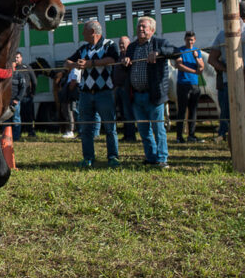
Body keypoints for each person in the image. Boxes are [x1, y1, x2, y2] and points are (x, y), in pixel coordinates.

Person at [207, 1, 245, 173]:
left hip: (229, 83)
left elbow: (212, 59)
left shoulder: (223, 33)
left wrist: (229, 71)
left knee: (232, 122)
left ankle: (235, 160)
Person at [121, 16, 179, 169]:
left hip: (154, 95)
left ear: (152, 30)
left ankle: (162, 159)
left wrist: (159, 53)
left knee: (158, 128)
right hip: (136, 95)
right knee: (144, 130)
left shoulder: (160, 43)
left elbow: (176, 52)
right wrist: (125, 62)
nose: (141, 28)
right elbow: (126, 69)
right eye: (139, 26)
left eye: (144, 27)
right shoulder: (132, 47)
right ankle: (151, 157)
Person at [65, 20, 121, 168]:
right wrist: (74, 65)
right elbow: (67, 62)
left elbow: (113, 59)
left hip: (104, 93)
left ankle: (113, 157)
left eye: (84, 30)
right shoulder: (83, 48)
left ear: (92, 32)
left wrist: (91, 64)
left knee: (110, 127)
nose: (82, 33)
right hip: (85, 93)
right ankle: (88, 157)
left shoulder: (109, 44)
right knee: (86, 128)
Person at [175, 31, 204, 143]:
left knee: (193, 110)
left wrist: (196, 58)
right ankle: (179, 136)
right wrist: (194, 71)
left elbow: (202, 67)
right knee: (182, 110)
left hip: (194, 84)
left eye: (191, 40)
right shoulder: (180, 50)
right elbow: (179, 65)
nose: (190, 42)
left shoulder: (197, 51)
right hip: (183, 84)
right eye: (188, 39)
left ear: (194, 40)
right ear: (185, 40)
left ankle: (191, 135)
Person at [112, 36, 137, 143]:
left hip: (126, 88)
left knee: (128, 113)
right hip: (118, 88)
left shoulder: (130, 56)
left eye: (123, 43)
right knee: (122, 113)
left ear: (129, 44)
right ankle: (126, 135)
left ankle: (131, 136)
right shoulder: (119, 56)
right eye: (120, 43)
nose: (121, 45)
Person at [18, 53, 38, 137]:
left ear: (21, 58)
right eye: (15, 57)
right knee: (18, 115)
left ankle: (31, 131)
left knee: (29, 114)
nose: (16, 59)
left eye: (18, 57)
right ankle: (19, 132)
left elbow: (34, 81)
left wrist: (32, 93)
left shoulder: (27, 67)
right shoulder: (13, 68)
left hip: (27, 96)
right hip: (16, 97)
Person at [9, 58, 27, 142]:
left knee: (16, 119)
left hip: (15, 101)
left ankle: (16, 137)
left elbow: (23, 88)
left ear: (14, 64)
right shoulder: (6, 75)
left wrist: (17, 99)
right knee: (6, 120)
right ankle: (7, 137)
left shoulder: (19, 75)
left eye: (11, 62)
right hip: (6, 102)